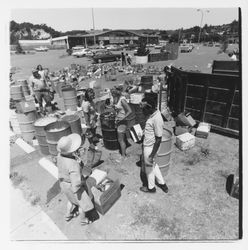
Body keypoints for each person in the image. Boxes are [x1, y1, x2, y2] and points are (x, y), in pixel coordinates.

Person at [57, 134, 94, 225]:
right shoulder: (73, 165)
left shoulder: (59, 156)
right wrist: (82, 183)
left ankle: (68, 215)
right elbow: (76, 183)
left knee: (71, 201)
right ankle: (83, 220)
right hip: (73, 187)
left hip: (63, 183)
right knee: (83, 204)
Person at [140, 97, 169, 193]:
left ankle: (151, 188)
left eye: (144, 109)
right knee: (154, 165)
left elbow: (159, 139)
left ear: (149, 108)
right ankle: (162, 184)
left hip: (150, 147)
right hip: (149, 145)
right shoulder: (152, 115)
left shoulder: (157, 119)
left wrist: (152, 154)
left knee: (149, 169)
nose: (143, 111)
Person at [111, 86, 133, 158]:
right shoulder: (116, 99)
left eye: (113, 94)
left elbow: (129, 111)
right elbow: (117, 109)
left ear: (116, 93)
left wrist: (122, 118)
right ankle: (123, 152)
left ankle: (123, 155)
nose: (112, 95)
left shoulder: (122, 100)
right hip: (118, 121)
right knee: (122, 138)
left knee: (120, 140)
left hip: (122, 122)